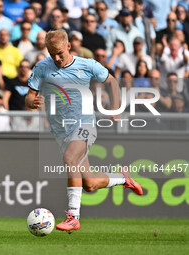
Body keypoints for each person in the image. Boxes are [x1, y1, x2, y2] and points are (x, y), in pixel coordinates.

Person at [25, 29, 143, 232]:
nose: (57, 57)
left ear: (69, 46)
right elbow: (29, 97)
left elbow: (112, 81)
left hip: (85, 124)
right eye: (52, 53)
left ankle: (73, 216)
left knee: (70, 159)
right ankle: (124, 178)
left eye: (60, 52)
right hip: (61, 131)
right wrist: (32, 102)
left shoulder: (87, 65)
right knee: (88, 183)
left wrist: (115, 108)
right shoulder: (42, 67)